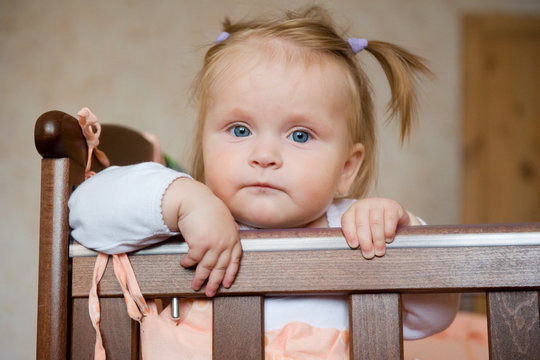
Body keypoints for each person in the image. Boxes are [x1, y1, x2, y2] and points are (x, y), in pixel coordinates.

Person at [69, 6, 459, 358]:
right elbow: (84, 210)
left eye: (300, 135)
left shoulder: (352, 234)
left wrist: (395, 233)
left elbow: (435, 313)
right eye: (239, 130)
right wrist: (185, 201)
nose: (265, 155)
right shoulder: (183, 216)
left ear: (346, 168)